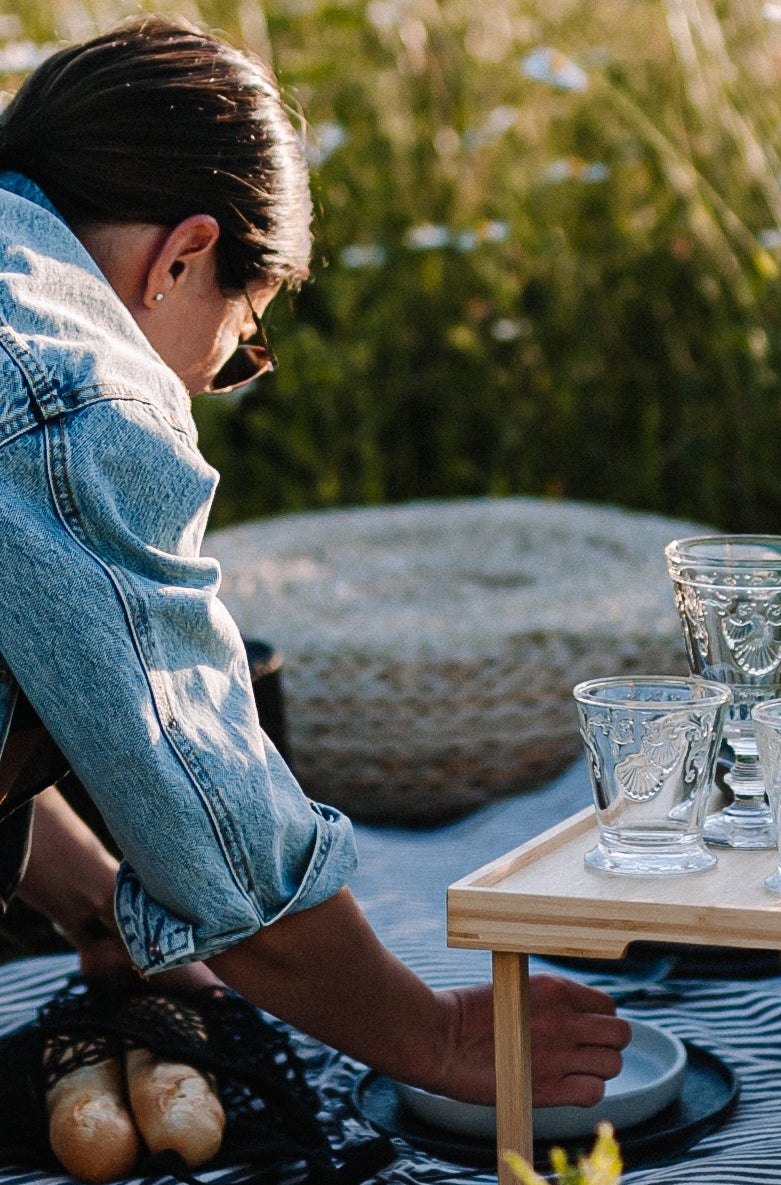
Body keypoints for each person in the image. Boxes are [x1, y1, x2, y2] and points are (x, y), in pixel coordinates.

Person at [0, 19, 628, 1110]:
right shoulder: (75, 393)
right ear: (183, 256)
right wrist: (431, 1035)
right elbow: (216, 824)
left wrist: (100, 905)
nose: (210, 380)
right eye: (239, 340)